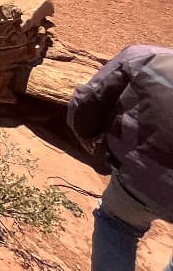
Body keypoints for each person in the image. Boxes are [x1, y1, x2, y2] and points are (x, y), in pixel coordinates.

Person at [68, 45, 173, 271]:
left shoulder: (145, 57)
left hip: (138, 178)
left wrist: (88, 139)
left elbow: (86, 103)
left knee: (117, 224)